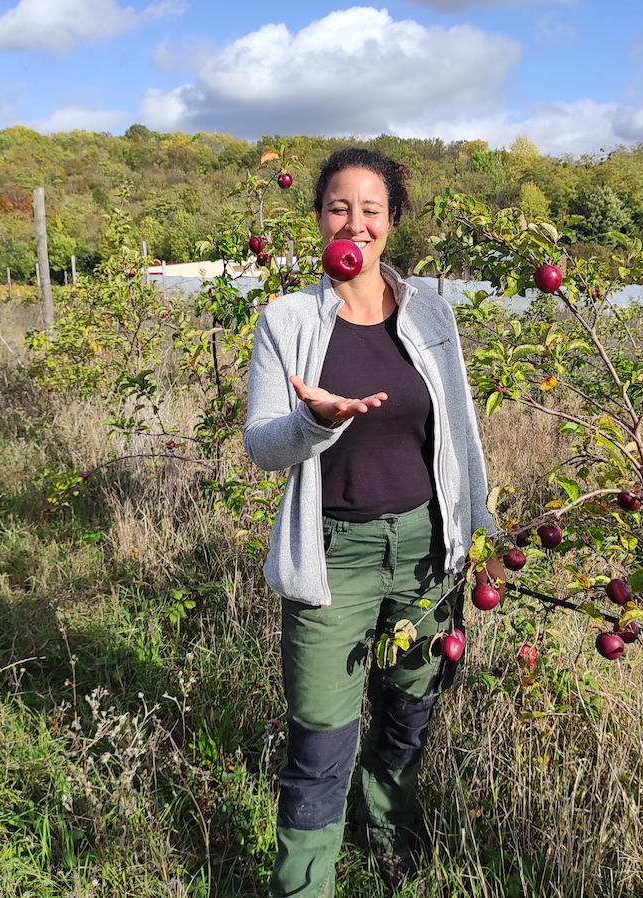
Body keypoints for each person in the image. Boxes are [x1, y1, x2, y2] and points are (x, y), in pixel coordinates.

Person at [243, 146, 504, 897]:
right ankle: (305, 886)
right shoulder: (287, 321)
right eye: (337, 207)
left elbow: (457, 429)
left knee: (408, 714)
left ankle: (389, 839)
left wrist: (476, 526)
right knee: (321, 743)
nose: (353, 221)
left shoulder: (430, 312)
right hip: (333, 559)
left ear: (392, 223)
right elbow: (263, 446)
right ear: (320, 219)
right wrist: (314, 421)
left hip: (426, 551)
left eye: (370, 209)